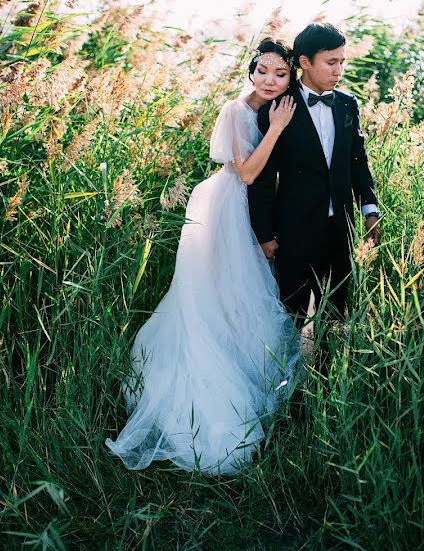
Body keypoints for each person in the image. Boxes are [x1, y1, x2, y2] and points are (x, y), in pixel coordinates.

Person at [105, 38, 301, 475]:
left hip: (249, 210)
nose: (270, 80)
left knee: (242, 300)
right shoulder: (236, 111)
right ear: (251, 71)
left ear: (291, 76)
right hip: (223, 209)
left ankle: (252, 387)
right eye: (262, 70)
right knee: (213, 299)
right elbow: (247, 172)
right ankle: (205, 403)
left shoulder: (281, 107)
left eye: (280, 73)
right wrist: (275, 130)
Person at [248, 23, 380, 368]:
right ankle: (283, 389)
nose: (338, 70)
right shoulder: (278, 110)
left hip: (341, 229)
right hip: (292, 233)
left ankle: (323, 389)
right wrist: (264, 234)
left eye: (342, 62)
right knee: (289, 316)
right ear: (304, 62)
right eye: (330, 62)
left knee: (336, 315)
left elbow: (358, 162)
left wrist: (369, 209)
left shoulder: (348, 104)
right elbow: (262, 179)